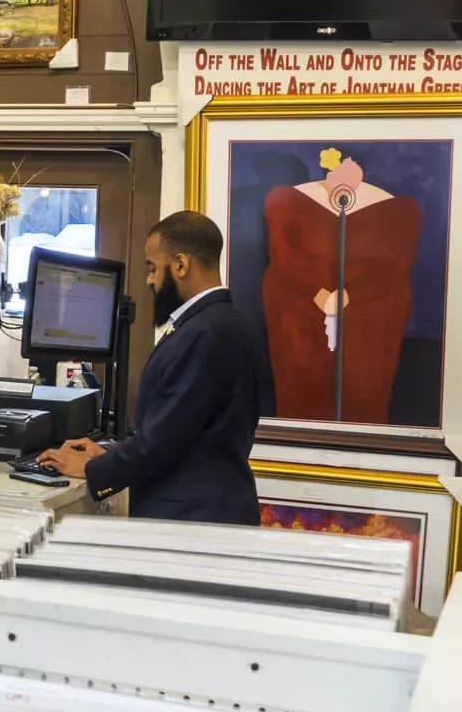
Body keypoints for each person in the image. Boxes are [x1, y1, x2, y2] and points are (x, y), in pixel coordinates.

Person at [38, 211, 273, 524]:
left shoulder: (204, 333)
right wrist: (110, 455)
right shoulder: (227, 322)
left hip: (193, 521)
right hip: (212, 508)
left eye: (152, 268)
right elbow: (183, 430)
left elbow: (162, 441)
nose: (149, 280)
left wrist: (90, 469)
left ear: (180, 265)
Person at [260, 151, 419, 423]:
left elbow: (395, 265)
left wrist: (349, 296)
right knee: (301, 386)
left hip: (370, 318)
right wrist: (319, 295)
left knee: (364, 386)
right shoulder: (287, 200)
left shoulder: (398, 210)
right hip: (298, 313)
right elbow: (284, 256)